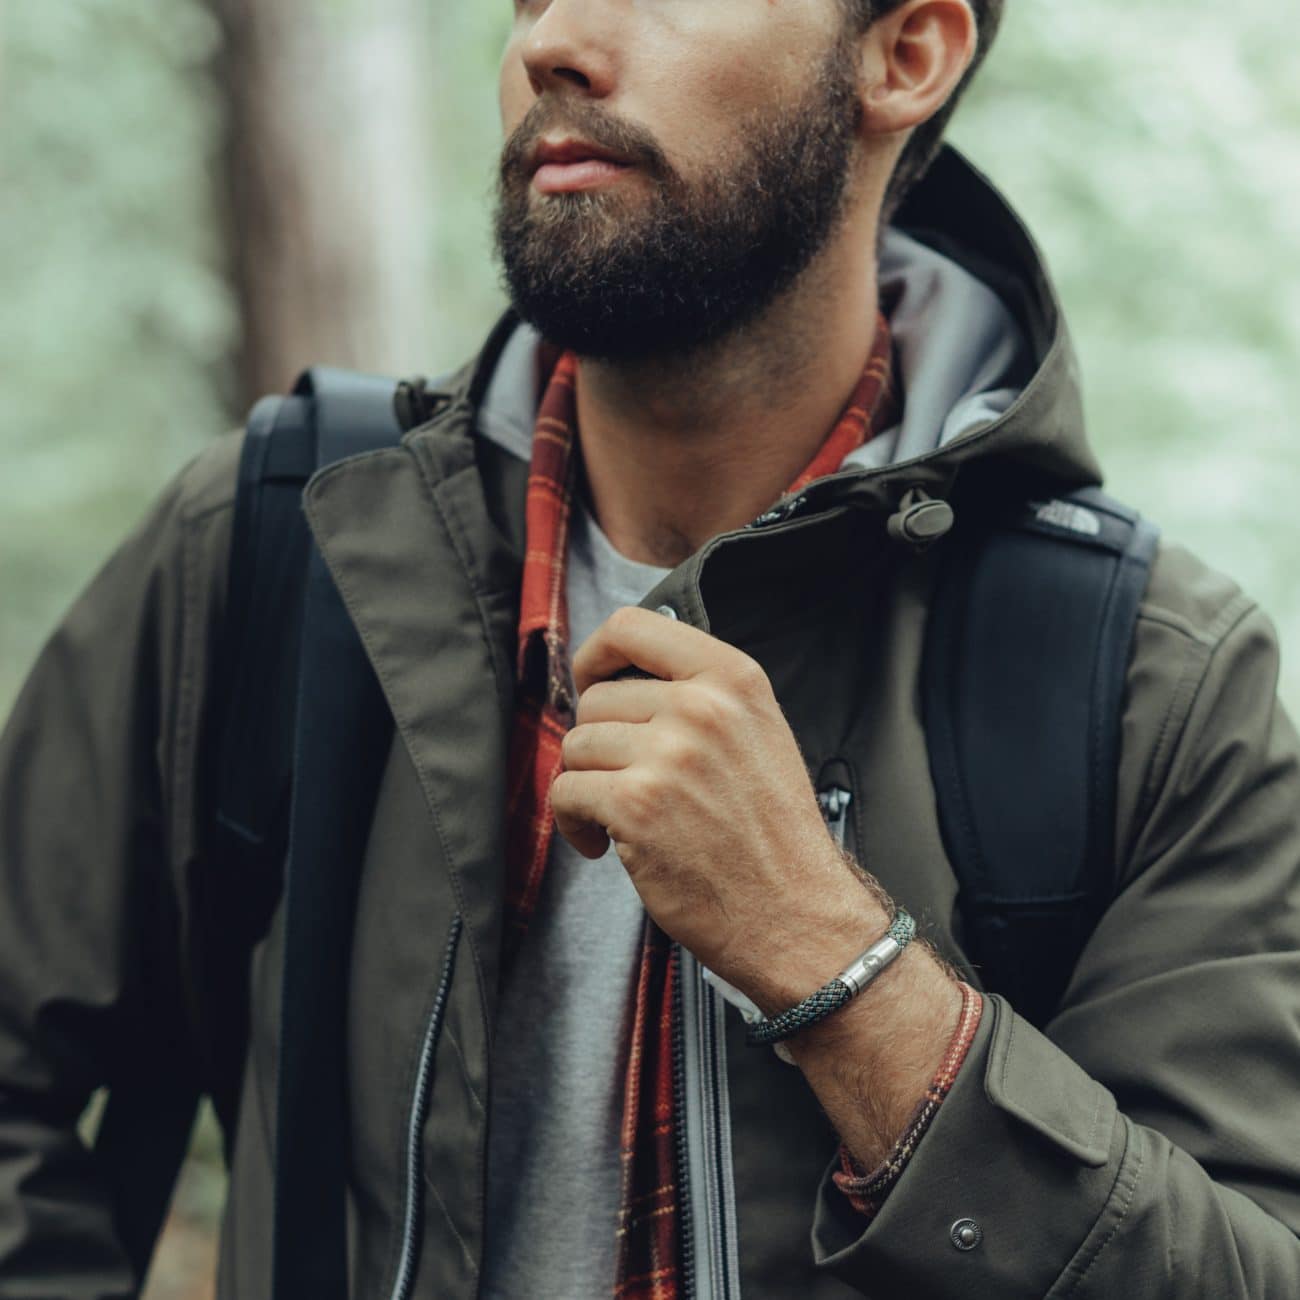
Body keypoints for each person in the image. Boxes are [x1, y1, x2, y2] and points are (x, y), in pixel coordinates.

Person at [1, 0, 1298, 1296]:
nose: (549, 43)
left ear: (905, 54)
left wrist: (841, 970)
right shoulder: (285, 547)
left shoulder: (1151, 682)